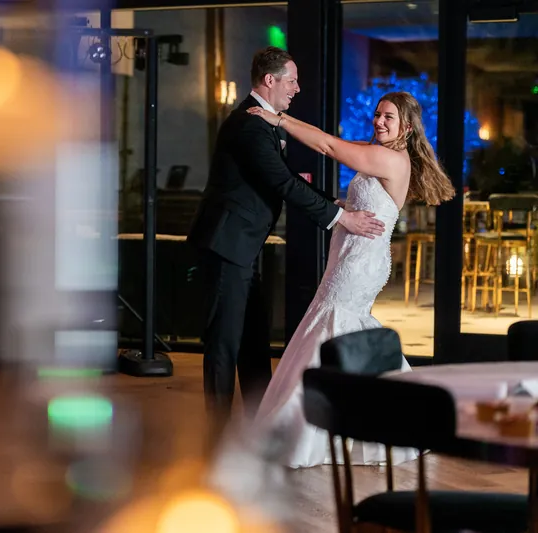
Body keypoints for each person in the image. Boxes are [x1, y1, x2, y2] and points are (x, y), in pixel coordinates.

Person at [210, 90, 454, 499]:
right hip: (351, 253)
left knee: (333, 327)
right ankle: (367, 415)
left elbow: (327, 145)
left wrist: (279, 120)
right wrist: (344, 205)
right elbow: (335, 149)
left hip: (360, 262)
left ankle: (316, 426)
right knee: (340, 331)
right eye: (377, 115)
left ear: (406, 129)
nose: (378, 122)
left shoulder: (391, 158)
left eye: (388, 118)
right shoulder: (379, 152)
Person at [186, 47, 385, 440]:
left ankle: (260, 428)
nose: (297, 88)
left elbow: (288, 177)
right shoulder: (248, 124)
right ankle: (217, 439)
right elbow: (283, 183)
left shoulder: (265, 122)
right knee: (225, 345)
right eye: (291, 80)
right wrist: (340, 218)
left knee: (254, 343)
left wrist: (333, 202)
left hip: (243, 248)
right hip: (226, 247)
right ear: (270, 80)